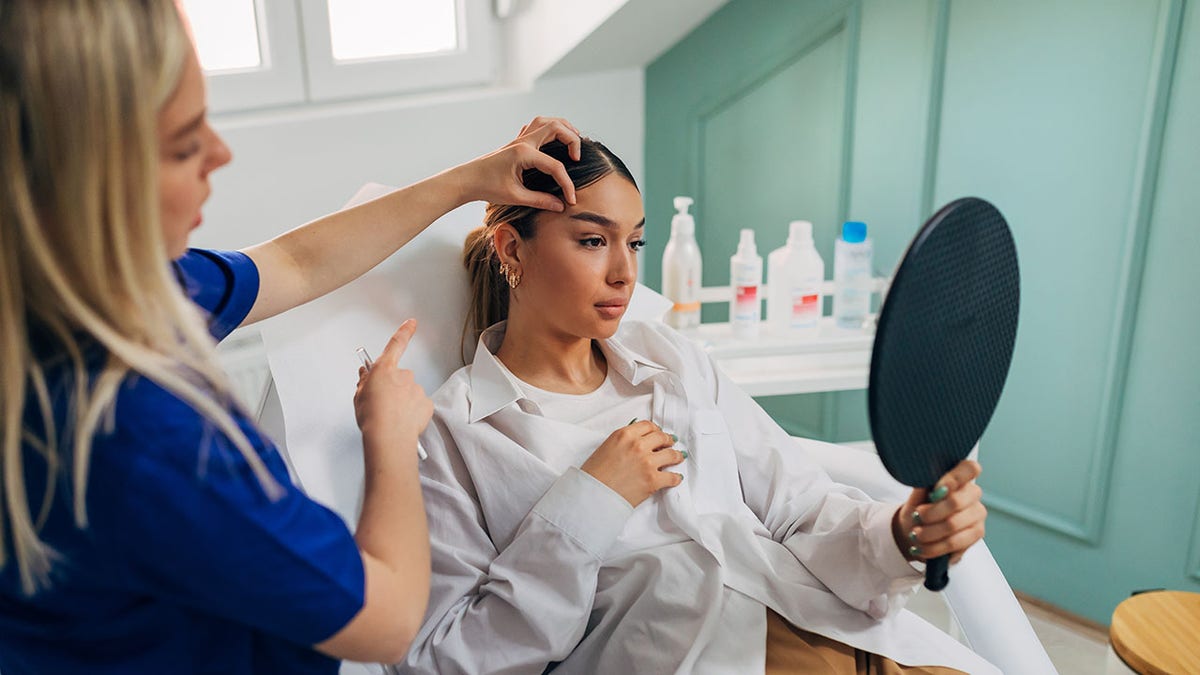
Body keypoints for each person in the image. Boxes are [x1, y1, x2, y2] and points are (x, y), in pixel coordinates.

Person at [0, 1, 583, 673]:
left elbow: (295, 263)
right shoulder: (141, 439)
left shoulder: (106, 289)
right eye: (186, 144)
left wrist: (471, 177)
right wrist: (391, 442)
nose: (221, 154)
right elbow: (390, 619)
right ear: (83, 180)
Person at [397, 138, 998, 674]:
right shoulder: (456, 434)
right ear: (512, 249)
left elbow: (800, 509)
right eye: (591, 240)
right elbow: (447, 658)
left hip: (839, 631)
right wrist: (589, 502)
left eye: (634, 242)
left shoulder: (673, 359)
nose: (624, 272)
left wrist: (901, 534)